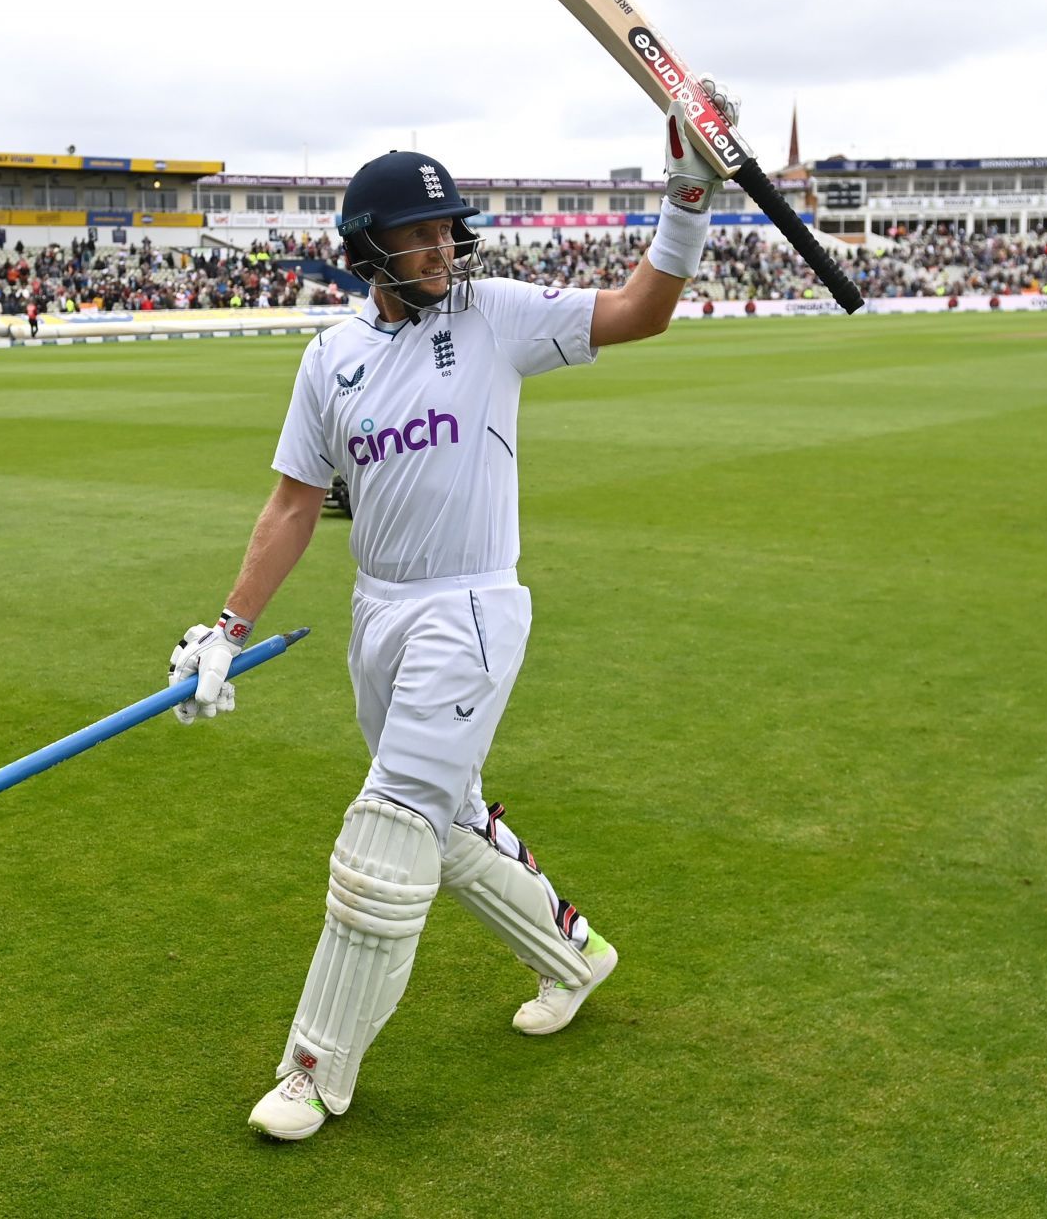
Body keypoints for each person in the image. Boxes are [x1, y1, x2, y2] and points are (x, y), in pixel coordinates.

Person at [167, 85, 739, 1141]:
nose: (440, 250)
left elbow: (640, 310)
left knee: (385, 835)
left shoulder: (495, 316)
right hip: (376, 617)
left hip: (471, 610)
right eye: (418, 235)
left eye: (446, 231)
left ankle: (313, 1070)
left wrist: (689, 194)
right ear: (366, 247)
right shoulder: (327, 359)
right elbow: (295, 501)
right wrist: (226, 630)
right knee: (450, 816)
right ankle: (573, 955)